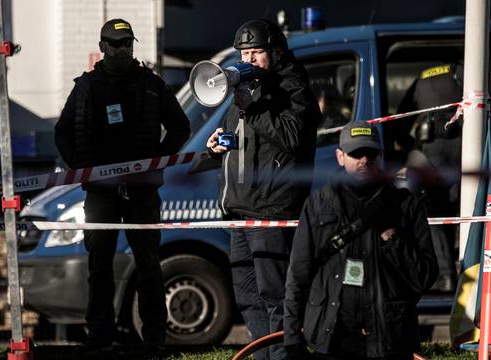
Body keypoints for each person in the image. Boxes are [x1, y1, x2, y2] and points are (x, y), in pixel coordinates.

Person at [55, 19, 190, 352]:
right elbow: (63, 132)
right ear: (102, 46)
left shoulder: (151, 85)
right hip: (100, 191)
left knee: (148, 263)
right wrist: (81, 169)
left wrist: (156, 159)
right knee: (99, 264)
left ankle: (155, 337)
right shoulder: (86, 87)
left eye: (127, 43)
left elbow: (180, 127)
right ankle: (99, 335)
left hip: (141, 190)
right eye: (115, 43)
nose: (122, 49)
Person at [206, 19, 321, 360]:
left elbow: (290, 138)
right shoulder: (248, 89)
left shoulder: (292, 86)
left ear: (276, 51)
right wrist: (220, 143)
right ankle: (262, 355)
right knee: (246, 293)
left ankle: (285, 355)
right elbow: (243, 137)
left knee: (274, 293)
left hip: (271, 205)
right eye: (244, 53)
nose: (249, 60)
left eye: (256, 52)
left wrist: (251, 108)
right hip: (240, 206)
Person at [283, 121, 438, 360]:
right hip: (330, 339)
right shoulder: (318, 204)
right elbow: (298, 274)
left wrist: (392, 238)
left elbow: (425, 277)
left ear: (381, 156)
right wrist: (292, 338)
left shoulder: (405, 205)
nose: (364, 160)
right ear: (340, 157)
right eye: (356, 153)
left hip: (388, 341)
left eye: (371, 153)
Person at [393, 63, 464, 292]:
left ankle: (447, 276)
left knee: (436, 215)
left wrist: (411, 147)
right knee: (467, 212)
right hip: (465, 146)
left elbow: (400, 122)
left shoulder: (421, 78)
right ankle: (470, 269)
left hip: (431, 151)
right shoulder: (460, 71)